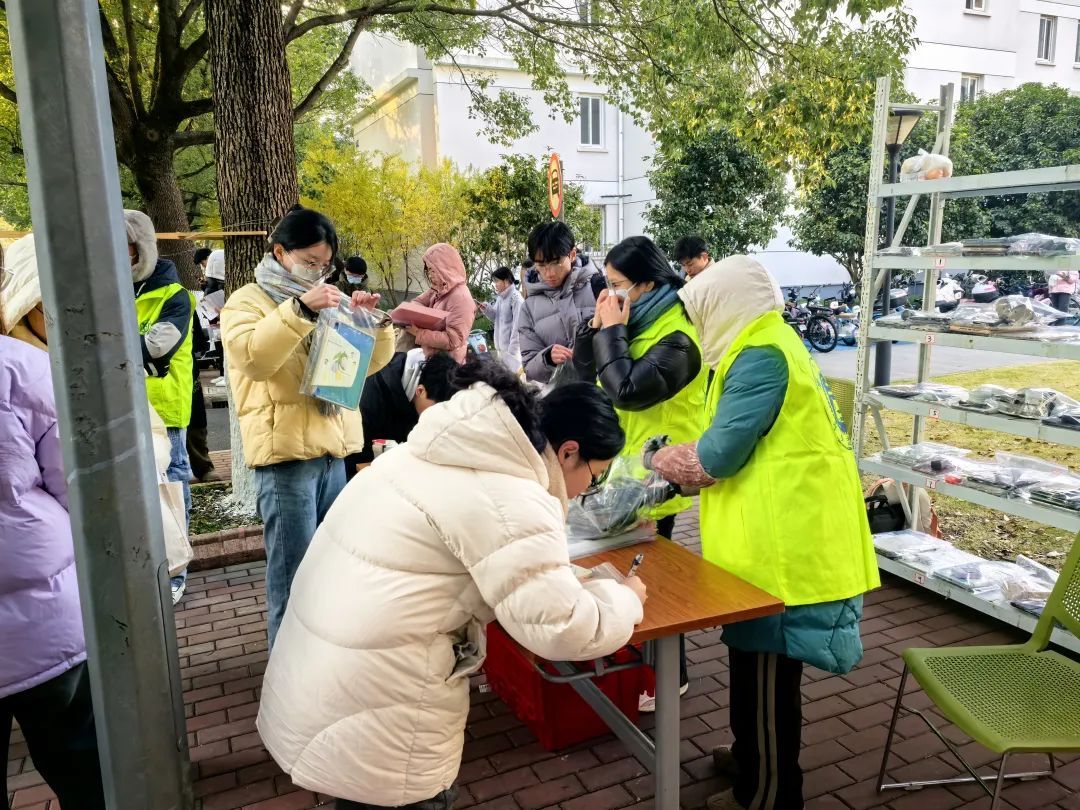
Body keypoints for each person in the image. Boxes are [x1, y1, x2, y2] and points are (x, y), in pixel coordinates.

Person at [257, 362, 647, 808]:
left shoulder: (443, 448)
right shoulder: (510, 494)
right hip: (386, 693)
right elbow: (561, 626)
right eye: (593, 478)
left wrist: (567, 579)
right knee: (401, 797)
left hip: (331, 673)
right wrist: (625, 599)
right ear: (569, 452)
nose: (584, 492)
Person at [644, 256, 879, 810]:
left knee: (769, 679)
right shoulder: (761, 346)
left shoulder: (760, 356)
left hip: (787, 554)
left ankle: (768, 793)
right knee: (751, 666)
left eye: (699, 315)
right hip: (771, 546)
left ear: (724, 306)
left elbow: (717, 455)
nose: (696, 330)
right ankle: (752, 756)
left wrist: (659, 462)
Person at [220, 206, 395, 646]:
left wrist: (374, 324)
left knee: (330, 571)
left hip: (332, 454)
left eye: (324, 265)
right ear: (280, 252)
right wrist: (300, 309)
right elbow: (253, 359)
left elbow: (363, 368)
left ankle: (322, 661)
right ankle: (286, 675)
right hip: (286, 462)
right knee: (293, 577)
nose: (318, 273)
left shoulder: (328, 299)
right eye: (309, 262)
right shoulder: (248, 301)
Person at [572, 235, 707, 711]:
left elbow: (627, 389)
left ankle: (673, 674)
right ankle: (643, 664)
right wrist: (594, 331)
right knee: (628, 569)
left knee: (652, 575)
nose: (609, 295)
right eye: (604, 285)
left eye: (617, 285)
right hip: (622, 468)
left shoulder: (679, 336)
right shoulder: (629, 321)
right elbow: (587, 378)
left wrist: (613, 332)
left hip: (658, 474)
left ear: (648, 283)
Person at [0, 335, 106, 809]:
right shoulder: (19, 367)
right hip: (45, 626)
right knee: (86, 772)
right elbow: (80, 487)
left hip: (42, 617)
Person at [126, 209, 195, 604]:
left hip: (164, 412)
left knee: (170, 491)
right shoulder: (111, 289)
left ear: (143, 249)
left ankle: (175, 573)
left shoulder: (174, 296)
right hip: (124, 408)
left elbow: (156, 349)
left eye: (128, 249)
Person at [343, 349, 458, 480]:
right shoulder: (373, 390)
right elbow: (354, 455)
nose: (436, 416)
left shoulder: (423, 394)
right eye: (435, 409)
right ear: (420, 391)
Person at [518, 222, 596, 383]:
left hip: (604, 396)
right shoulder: (528, 308)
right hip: (562, 398)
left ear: (572, 254)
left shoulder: (599, 287)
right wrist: (547, 358)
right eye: (541, 265)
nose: (549, 273)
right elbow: (530, 367)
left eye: (556, 262)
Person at [406, 243, 475, 363]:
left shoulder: (461, 298)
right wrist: (422, 316)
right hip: (431, 357)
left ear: (446, 268)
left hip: (447, 365)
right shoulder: (438, 289)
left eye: (433, 270)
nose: (430, 275)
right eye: (428, 270)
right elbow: (416, 302)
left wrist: (418, 333)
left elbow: (453, 340)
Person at [479, 266, 523, 375]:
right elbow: (496, 317)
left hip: (512, 352)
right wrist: (487, 308)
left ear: (507, 281)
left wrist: (512, 353)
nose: (495, 284)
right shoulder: (501, 298)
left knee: (515, 381)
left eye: (497, 281)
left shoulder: (516, 299)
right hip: (501, 350)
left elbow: (518, 327)